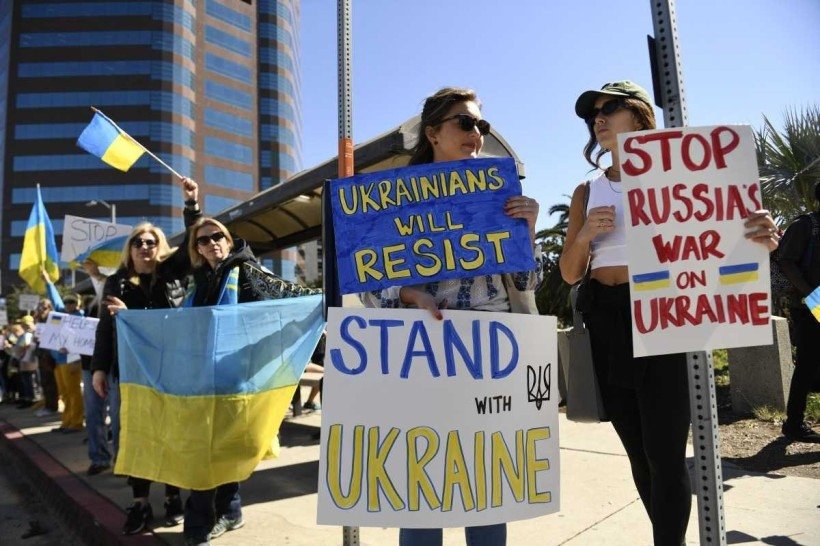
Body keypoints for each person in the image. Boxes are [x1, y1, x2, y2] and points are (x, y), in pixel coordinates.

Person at [560, 80, 781, 545]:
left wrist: (757, 234)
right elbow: (568, 272)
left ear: (639, 115)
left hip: (662, 314)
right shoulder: (588, 189)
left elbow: (722, 235)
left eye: (610, 108)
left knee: (664, 453)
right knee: (638, 454)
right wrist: (584, 237)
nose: (598, 119)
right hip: (606, 318)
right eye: (591, 115)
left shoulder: (681, 178)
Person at [362, 87, 542, 546]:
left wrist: (526, 234)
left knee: (487, 487)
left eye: (480, 125)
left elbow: (525, 285)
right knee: (422, 488)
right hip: (422, 353)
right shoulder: (396, 199)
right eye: (465, 123)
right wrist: (409, 293)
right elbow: (368, 281)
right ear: (433, 134)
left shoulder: (499, 194)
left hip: (490, 355)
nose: (476, 133)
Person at [180, 215, 320, 546]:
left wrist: (326, 312)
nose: (212, 242)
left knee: (216, 453)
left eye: (218, 236)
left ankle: (201, 525)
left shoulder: (247, 272)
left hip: (237, 379)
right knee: (209, 451)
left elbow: (289, 297)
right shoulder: (197, 281)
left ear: (228, 241)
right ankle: (230, 511)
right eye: (203, 239)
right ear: (196, 249)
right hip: (202, 381)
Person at [91, 177, 201, 534]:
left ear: (159, 247)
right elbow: (105, 330)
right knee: (135, 437)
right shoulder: (117, 282)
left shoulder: (171, 274)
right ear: (130, 249)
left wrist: (191, 205)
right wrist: (98, 369)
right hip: (132, 373)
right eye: (138, 242)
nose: (144, 246)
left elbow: (193, 247)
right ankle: (140, 503)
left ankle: (172, 496)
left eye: (151, 242)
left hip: (171, 370)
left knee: (170, 433)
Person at [778, 180, 820, 441]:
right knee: (807, 364)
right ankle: (793, 423)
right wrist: (810, 295)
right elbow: (785, 260)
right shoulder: (806, 225)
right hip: (812, 304)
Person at [41, 283, 85, 433]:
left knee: (73, 392)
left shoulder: (79, 318)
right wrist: (47, 281)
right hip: (58, 362)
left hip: (71, 361)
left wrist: (76, 360)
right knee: (64, 393)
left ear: (77, 304)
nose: (67, 304)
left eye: (71, 301)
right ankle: (66, 421)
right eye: (66, 301)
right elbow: (55, 299)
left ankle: (77, 422)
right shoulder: (61, 315)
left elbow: (81, 341)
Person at [32, 298, 59, 417]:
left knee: (50, 382)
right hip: (41, 354)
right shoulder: (39, 320)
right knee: (44, 381)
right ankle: (48, 405)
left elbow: (57, 334)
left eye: (44, 307)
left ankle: (52, 407)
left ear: (50, 308)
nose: (41, 310)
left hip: (50, 355)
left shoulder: (54, 318)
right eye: (39, 307)